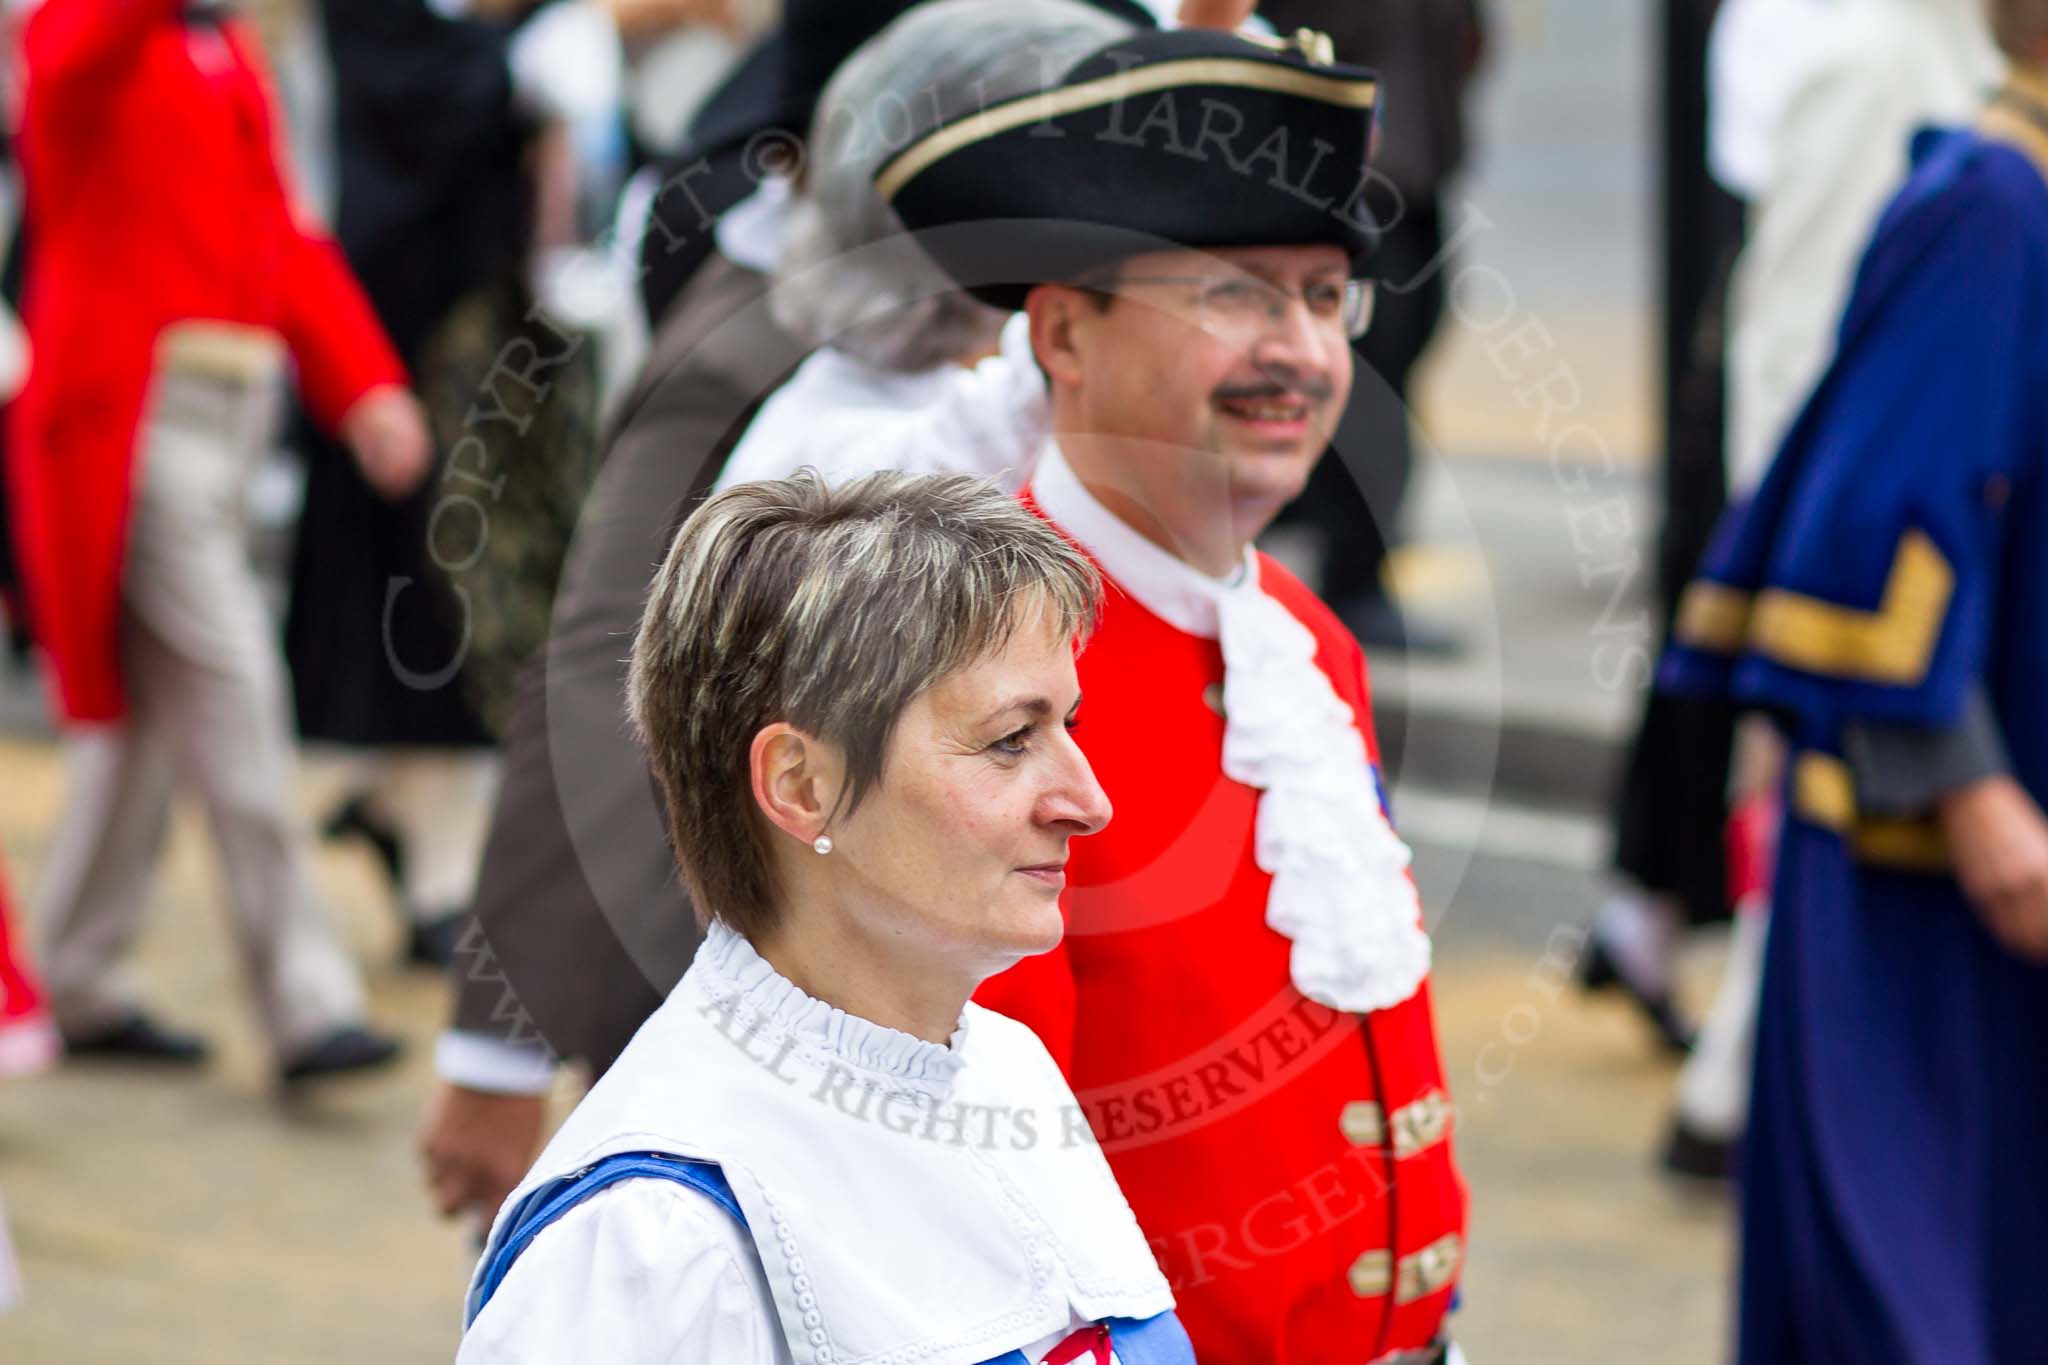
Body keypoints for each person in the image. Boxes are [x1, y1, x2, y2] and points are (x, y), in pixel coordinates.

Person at [420, 0, 1143, 1224]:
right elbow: (602, 672)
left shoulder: (947, 321)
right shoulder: (757, 343)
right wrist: (497, 1048)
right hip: (732, 979)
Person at [458, 469, 1190, 1365]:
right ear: (802, 786)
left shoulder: (1006, 1069)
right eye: (1010, 738)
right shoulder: (649, 1238)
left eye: (1071, 723)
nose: (1087, 799)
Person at [1661, 3, 2048, 1355]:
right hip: (1940, 866)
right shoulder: (1995, 201)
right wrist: (1976, 793)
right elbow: (1868, 520)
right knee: (1926, 1287)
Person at [6, 0, 427, 1082]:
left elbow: (278, 233)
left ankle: (79, 975)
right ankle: (305, 1001)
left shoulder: (222, 47)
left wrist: (366, 384)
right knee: (234, 698)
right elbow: (78, 54)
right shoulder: (81, 35)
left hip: (217, 420)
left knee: (152, 721)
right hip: (132, 424)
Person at [1261, 0, 1486, 656]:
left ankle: (1344, 559)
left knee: (1396, 358)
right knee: (1359, 383)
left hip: (1414, 165)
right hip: (1333, 171)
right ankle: (1353, 580)